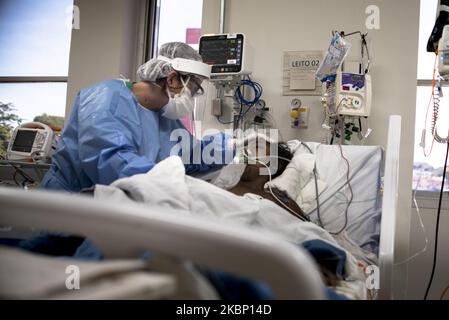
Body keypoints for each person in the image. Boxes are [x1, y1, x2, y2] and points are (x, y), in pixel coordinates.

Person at [41, 42, 233, 192]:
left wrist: (238, 146)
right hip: (72, 205)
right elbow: (113, 164)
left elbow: (190, 154)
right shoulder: (106, 100)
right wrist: (182, 187)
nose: (192, 97)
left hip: (117, 207)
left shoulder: (165, 116)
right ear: (172, 79)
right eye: (193, 88)